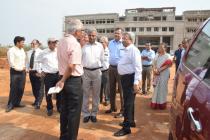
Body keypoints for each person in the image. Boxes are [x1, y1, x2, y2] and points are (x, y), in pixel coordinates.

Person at [56, 19, 84, 140]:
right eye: (81, 30)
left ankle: (63, 136)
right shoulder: (74, 43)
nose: (82, 33)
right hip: (72, 81)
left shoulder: (61, 41)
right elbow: (71, 66)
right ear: (76, 31)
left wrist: (62, 80)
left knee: (65, 111)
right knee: (74, 113)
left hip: (63, 78)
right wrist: (63, 80)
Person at [114, 32, 142, 137]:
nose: (122, 40)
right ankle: (131, 121)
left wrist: (136, 83)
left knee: (127, 103)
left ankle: (126, 128)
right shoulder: (126, 50)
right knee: (130, 102)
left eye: (125, 38)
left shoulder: (134, 50)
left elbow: (138, 68)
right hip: (125, 79)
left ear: (130, 40)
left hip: (130, 79)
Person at [81, 28, 104, 123]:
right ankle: (86, 114)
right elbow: (80, 59)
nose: (91, 37)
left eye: (93, 35)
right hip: (85, 72)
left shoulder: (100, 46)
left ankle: (94, 114)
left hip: (97, 72)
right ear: (88, 36)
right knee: (85, 94)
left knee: (96, 95)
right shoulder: (83, 47)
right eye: (90, 35)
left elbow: (102, 59)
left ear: (96, 36)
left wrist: (98, 68)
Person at [37, 38, 61, 116]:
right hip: (48, 76)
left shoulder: (58, 51)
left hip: (58, 75)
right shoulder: (44, 52)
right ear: (48, 44)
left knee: (59, 93)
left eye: (55, 42)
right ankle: (49, 108)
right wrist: (40, 71)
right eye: (53, 43)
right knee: (48, 93)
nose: (54, 44)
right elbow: (37, 61)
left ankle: (59, 107)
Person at [105, 28, 124, 118]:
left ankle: (123, 110)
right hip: (111, 68)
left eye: (118, 33)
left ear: (121, 34)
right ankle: (113, 107)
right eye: (115, 33)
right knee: (111, 89)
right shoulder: (111, 43)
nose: (116, 35)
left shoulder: (124, 43)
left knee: (121, 90)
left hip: (121, 69)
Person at [6, 36, 26, 112]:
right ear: (17, 43)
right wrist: (19, 69)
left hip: (22, 72)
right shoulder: (11, 50)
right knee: (14, 88)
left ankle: (17, 102)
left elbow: (23, 60)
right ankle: (10, 104)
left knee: (21, 88)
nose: (23, 43)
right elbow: (11, 62)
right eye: (22, 42)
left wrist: (24, 67)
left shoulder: (22, 50)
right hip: (15, 72)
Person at [151, 43, 172, 110]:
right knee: (156, 88)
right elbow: (154, 64)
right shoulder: (157, 55)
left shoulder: (168, 56)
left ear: (165, 48)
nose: (159, 48)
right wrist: (154, 70)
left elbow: (168, 65)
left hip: (164, 74)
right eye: (159, 47)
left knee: (162, 88)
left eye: (161, 47)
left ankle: (161, 104)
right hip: (157, 74)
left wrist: (159, 70)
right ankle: (155, 103)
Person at [26, 39, 44, 109]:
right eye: (32, 43)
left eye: (34, 44)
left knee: (39, 88)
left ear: (38, 44)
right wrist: (27, 69)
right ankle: (36, 100)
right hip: (31, 72)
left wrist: (41, 71)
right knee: (34, 88)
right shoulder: (29, 52)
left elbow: (43, 62)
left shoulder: (41, 52)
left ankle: (38, 103)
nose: (33, 45)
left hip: (38, 72)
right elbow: (27, 62)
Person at [99, 36, 110, 106]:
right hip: (98, 71)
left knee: (106, 86)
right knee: (99, 86)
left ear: (106, 43)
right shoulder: (98, 50)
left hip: (106, 71)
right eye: (100, 42)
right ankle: (99, 99)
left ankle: (107, 99)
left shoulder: (109, 51)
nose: (100, 43)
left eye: (102, 42)